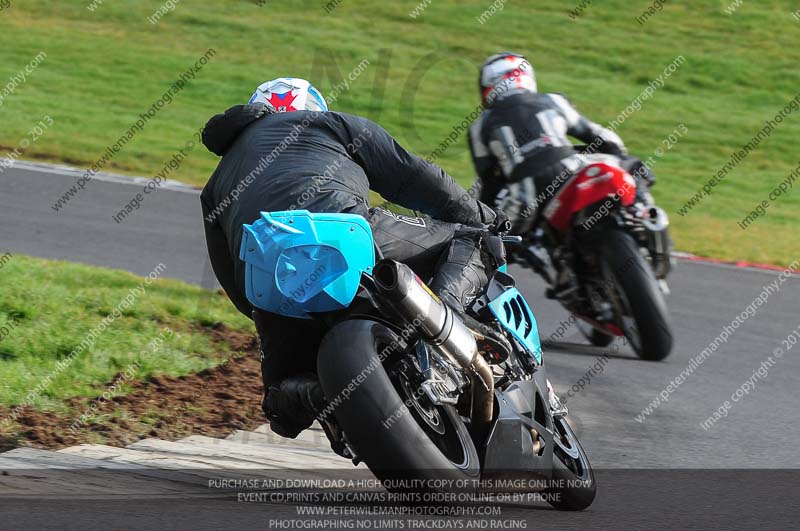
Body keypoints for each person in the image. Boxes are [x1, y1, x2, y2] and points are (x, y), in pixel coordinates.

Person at [200, 77, 506, 440]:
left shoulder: (216, 182)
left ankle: (317, 396)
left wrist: (268, 314)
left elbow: (232, 278)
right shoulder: (329, 123)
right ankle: (449, 323)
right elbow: (415, 178)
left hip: (270, 280)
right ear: (315, 106)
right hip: (342, 232)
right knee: (477, 241)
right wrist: (487, 219)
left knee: (282, 407)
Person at [467, 52, 654, 237]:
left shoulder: (478, 126)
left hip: (524, 195)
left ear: (489, 85)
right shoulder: (553, 100)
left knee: (491, 244)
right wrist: (618, 156)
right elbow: (604, 138)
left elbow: (488, 184)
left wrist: (487, 223)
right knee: (635, 166)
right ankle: (645, 212)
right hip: (570, 168)